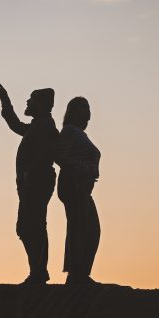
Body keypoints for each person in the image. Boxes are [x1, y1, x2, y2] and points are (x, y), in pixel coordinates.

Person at [0, 82, 59, 284]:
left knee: (31, 226)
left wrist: (29, 176)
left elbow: (44, 154)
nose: (28, 102)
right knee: (29, 226)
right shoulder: (38, 125)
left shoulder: (45, 126)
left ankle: (38, 272)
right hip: (31, 182)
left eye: (31, 99)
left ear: (41, 104)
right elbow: (15, 125)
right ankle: (38, 270)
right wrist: (5, 100)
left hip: (37, 182)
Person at [56, 96, 101, 285]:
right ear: (73, 111)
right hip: (74, 185)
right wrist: (82, 168)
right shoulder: (69, 132)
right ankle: (76, 274)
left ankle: (79, 273)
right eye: (83, 108)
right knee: (81, 228)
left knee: (90, 229)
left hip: (82, 188)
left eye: (89, 108)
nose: (88, 113)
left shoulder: (78, 133)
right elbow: (59, 156)